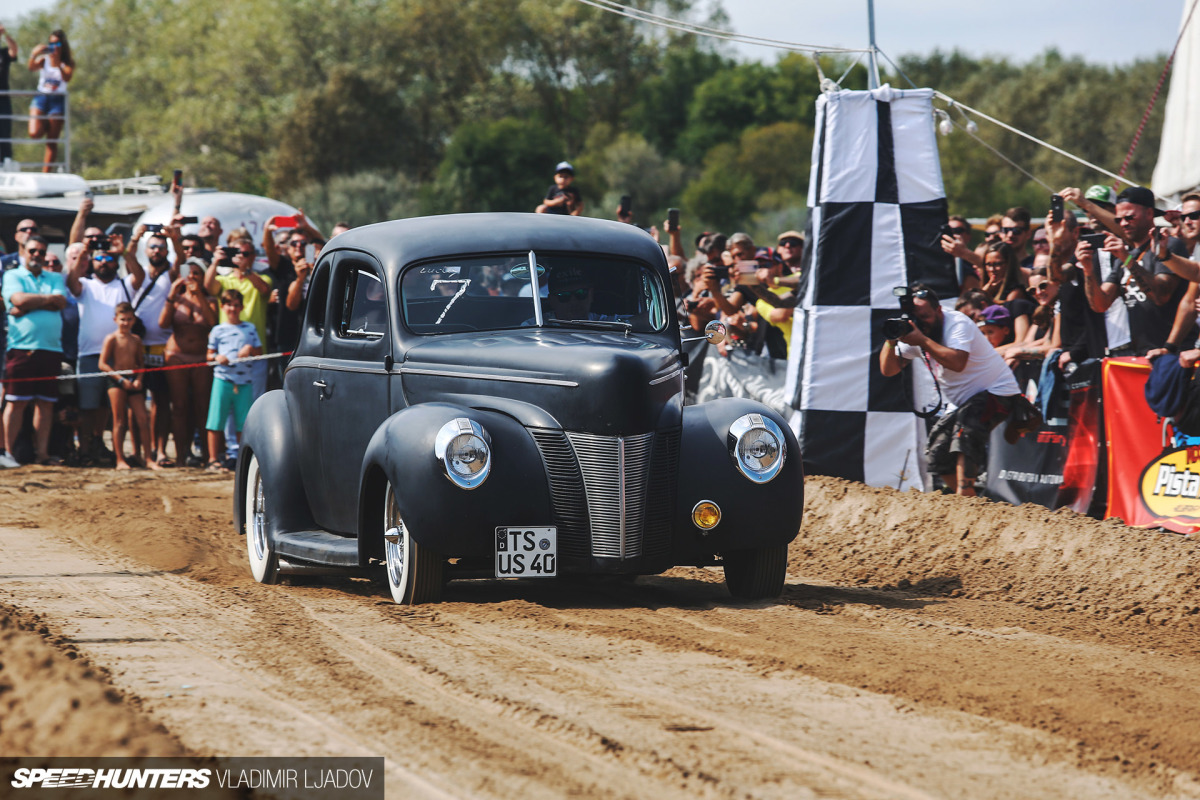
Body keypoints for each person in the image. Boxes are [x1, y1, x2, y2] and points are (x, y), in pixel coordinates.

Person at [879, 284, 1021, 496]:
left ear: (939, 310)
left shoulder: (956, 324)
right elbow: (888, 370)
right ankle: (971, 504)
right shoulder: (916, 331)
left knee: (966, 432)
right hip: (963, 401)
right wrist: (892, 339)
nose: (921, 322)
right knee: (937, 454)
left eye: (925, 316)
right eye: (915, 317)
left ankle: (966, 496)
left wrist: (922, 341)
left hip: (997, 391)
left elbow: (957, 363)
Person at [1075, 186, 1187, 356]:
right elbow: (1100, 304)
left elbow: (1160, 296)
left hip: (1174, 355)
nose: (1124, 224)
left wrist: (1127, 259)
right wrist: (1088, 269)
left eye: (1130, 217)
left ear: (1149, 214)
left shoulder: (1168, 246)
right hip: (1141, 356)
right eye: (1119, 220)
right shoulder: (1127, 255)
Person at [68, 233, 141, 465]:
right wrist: (84, 252)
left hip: (119, 357)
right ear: (92, 262)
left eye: (108, 259)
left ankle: (100, 445)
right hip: (89, 354)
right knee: (87, 405)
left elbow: (139, 276)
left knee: (105, 408)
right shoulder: (87, 284)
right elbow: (71, 282)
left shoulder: (123, 284)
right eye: (99, 258)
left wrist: (124, 251)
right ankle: (86, 448)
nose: (104, 263)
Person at [2, 235, 67, 466]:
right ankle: (8, 455)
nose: (37, 255)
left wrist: (29, 304)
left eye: (41, 251)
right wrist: (47, 301)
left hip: (50, 348)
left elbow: (61, 302)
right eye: (32, 251)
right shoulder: (13, 275)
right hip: (22, 348)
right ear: (24, 252)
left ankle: (42, 455)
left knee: (46, 403)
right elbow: (17, 298)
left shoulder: (55, 277)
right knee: (16, 402)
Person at [125, 224, 179, 465]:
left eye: (161, 247)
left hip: (162, 346)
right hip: (134, 346)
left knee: (160, 401)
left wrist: (174, 239)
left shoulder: (170, 274)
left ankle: (160, 450)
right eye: (153, 246)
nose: (157, 250)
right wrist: (136, 236)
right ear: (146, 250)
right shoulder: (138, 275)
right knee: (133, 400)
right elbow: (128, 257)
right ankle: (137, 451)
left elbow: (181, 260)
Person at [159, 259, 217, 467]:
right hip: (176, 355)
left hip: (200, 357)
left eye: (196, 274)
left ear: (202, 278)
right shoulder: (176, 299)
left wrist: (199, 294)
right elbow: (163, 324)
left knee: (202, 407)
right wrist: (171, 295)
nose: (192, 277)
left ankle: (206, 455)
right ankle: (181, 456)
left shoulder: (209, 300)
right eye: (189, 273)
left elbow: (212, 322)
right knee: (180, 406)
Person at [205, 290, 261, 472]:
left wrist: (249, 349)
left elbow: (259, 353)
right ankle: (213, 459)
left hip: (244, 381)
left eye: (236, 305)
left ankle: (240, 458)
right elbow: (208, 355)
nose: (233, 309)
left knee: (243, 422)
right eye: (229, 305)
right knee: (215, 420)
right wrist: (218, 357)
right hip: (222, 379)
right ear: (223, 307)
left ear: (242, 307)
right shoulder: (217, 330)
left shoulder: (250, 328)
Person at [98, 303, 158, 471]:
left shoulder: (136, 340)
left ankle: (148, 458)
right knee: (119, 421)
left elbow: (141, 363)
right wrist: (119, 379)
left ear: (134, 320)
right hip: (117, 380)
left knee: (142, 419)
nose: (125, 323)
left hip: (133, 379)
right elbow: (102, 363)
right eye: (122, 319)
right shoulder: (112, 338)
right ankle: (120, 459)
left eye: (129, 320)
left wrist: (139, 378)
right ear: (115, 319)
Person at [26, 29, 73, 173]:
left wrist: (58, 63)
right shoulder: (44, 60)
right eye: (51, 43)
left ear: (62, 44)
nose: (54, 46)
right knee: (34, 133)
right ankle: (46, 123)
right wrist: (34, 54)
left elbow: (67, 78)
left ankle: (46, 174)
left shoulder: (68, 63)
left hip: (57, 100)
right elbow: (31, 67)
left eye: (57, 43)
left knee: (51, 142)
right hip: (41, 97)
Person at [0, 24, 17, 165]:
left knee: (5, 129)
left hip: (3, 98)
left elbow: (14, 50)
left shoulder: (4, 53)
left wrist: (5, 34)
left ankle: (6, 160)